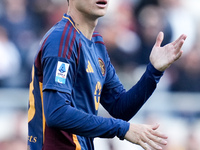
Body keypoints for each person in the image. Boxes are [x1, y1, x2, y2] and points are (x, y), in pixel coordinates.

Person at [27, 0, 187, 150]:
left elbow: (119, 107)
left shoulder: (96, 44)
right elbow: (56, 113)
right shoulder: (62, 38)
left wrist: (154, 71)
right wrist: (123, 129)